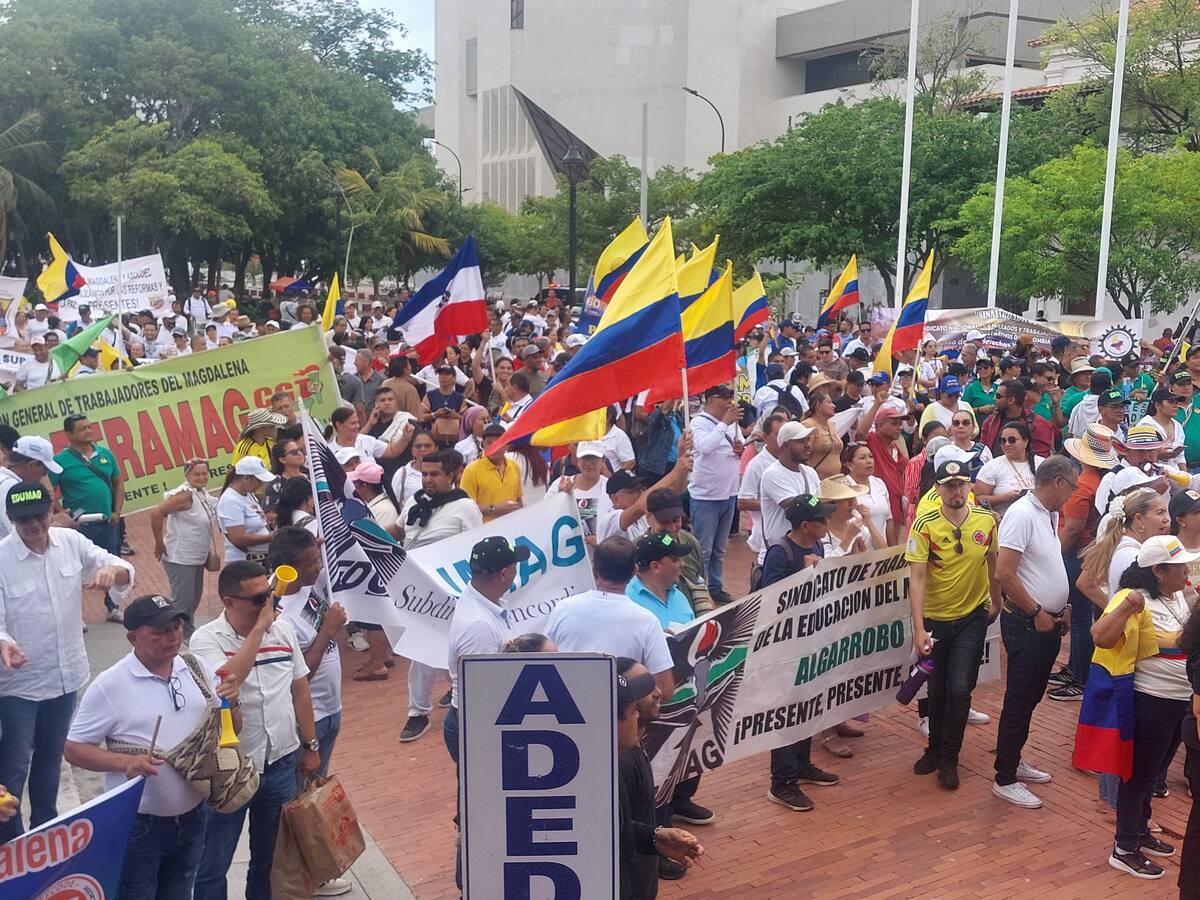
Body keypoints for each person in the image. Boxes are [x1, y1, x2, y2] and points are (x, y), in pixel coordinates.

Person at [64, 595, 238, 900]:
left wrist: (233, 702)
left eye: (176, 627)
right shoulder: (110, 686)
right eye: (159, 632)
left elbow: (234, 729)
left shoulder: (196, 667)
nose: (172, 637)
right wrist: (123, 763)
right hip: (138, 827)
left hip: (193, 817)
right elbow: (74, 748)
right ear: (132, 637)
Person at [0, 482, 133, 842]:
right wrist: (5, 643)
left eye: (39, 516)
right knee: (10, 774)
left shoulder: (70, 542)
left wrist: (113, 574)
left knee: (48, 766)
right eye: (23, 519)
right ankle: (9, 845)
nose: (33, 525)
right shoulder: (1, 559)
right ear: (11, 520)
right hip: (18, 688)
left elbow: (116, 565)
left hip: (64, 679)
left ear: (50, 512)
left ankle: (44, 836)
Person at [191, 560, 320, 900]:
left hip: (279, 763)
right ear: (228, 602)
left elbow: (300, 690)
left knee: (268, 859)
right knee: (212, 864)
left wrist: (311, 744)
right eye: (259, 598)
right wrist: (260, 630)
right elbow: (229, 679)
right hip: (230, 770)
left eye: (270, 594)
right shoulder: (206, 640)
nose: (270, 603)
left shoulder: (284, 630)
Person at [1088, 536, 1195, 880]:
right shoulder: (1133, 599)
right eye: (1180, 567)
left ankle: (1141, 831)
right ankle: (1124, 847)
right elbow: (1100, 635)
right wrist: (1124, 607)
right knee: (1140, 775)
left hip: (1179, 702)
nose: (1187, 571)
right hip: (1151, 700)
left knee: (1157, 770)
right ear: (1158, 571)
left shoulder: (1178, 594)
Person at [907, 459, 999, 792]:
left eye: (961, 483)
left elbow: (992, 561)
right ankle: (933, 748)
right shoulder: (924, 524)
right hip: (935, 619)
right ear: (938, 489)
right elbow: (916, 579)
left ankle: (950, 757)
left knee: (960, 687)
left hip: (972, 616)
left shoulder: (987, 521)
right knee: (937, 688)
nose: (956, 490)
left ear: (970, 485)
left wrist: (997, 599)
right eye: (949, 485)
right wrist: (918, 628)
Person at [991, 456, 1078, 808]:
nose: (1072, 494)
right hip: (1028, 622)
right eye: (1071, 486)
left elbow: (1047, 563)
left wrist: (1063, 606)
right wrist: (1037, 610)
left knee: (1030, 696)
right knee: (1019, 697)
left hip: (1047, 620)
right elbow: (1004, 573)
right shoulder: (1022, 514)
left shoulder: (1048, 513)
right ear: (1057, 482)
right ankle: (1004, 777)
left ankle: (1014, 759)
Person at [444, 537, 528, 890]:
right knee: (481, 810)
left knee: (479, 804)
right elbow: (484, 697)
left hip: (471, 722)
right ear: (506, 573)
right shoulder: (479, 626)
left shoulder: (485, 606)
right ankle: (472, 883)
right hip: (476, 727)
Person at [760, 494, 842, 810]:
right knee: (786, 712)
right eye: (822, 519)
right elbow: (772, 602)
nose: (827, 523)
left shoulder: (816, 546)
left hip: (812, 642)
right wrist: (804, 575)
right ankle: (781, 782)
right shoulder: (780, 553)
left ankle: (802, 765)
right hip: (783, 650)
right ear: (806, 525)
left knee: (808, 705)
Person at [616, 659, 704, 899]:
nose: (657, 694)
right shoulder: (620, 767)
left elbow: (616, 828)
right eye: (631, 709)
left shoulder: (626, 753)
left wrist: (654, 836)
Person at [1053, 424, 1121, 702]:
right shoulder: (1101, 479)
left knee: (1079, 619)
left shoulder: (1082, 484)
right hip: (1090, 551)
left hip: (1077, 553)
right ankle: (1076, 668)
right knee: (1083, 616)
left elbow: (1072, 529)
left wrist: (1057, 557)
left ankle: (1080, 678)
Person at [52, 414, 126, 621]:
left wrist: (117, 511)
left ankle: (113, 607)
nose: (89, 431)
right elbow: (49, 489)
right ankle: (78, 615)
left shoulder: (105, 454)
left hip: (107, 522)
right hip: (79, 526)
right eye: (82, 428)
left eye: (89, 427)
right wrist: (60, 513)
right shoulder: (60, 461)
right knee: (74, 570)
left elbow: (118, 482)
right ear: (69, 434)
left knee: (112, 562)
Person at [687, 385, 742, 604]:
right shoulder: (698, 422)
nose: (730, 402)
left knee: (719, 549)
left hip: (728, 493)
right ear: (711, 400)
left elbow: (727, 452)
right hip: (706, 496)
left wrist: (738, 449)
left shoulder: (728, 425)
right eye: (725, 398)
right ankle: (698, 592)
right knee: (704, 550)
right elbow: (705, 447)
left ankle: (716, 587)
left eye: (731, 397)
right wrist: (724, 423)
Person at [151, 458, 218, 635]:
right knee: (181, 603)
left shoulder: (201, 493)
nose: (202, 477)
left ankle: (188, 636)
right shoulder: (185, 495)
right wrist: (159, 542)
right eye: (197, 474)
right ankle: (174, 639)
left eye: (205, 473)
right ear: (187, 475)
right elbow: (156, 513)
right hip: (180, 558)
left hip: (196, 558)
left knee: (193, 602)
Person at [973, 421, 1042, 517]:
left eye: (1012, 440)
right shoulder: (992, 466)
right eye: (1002, 441)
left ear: (1025, 441)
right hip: (1003, 521)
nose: (1007, 444)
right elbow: (977, 499)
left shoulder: (1042, 464)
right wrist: (1004, 498)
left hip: (1038, 519)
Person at [0, 434, 62, 540]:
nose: (44, 475)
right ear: (31, 465)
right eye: (45, 470)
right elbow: (19, 534)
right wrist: (62, 524)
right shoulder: (9, 487)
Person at [548, 441, 612, 539]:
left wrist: (601, 541)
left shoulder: (610, 487)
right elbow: (546, 515)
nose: (589, 464)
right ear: (578, 461)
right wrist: (561, 496)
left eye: (593, 459)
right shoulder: (560, 483)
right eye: (584, 459)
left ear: (603, 461)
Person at [216, 456, 274, 563]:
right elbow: (238, 538)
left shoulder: (248, 494)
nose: (261, 484)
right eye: (259, 480)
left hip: (259, 557)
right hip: (244, 561)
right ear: (246, 478)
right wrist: (270, 538)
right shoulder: (230, 501)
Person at [461, 424, 523, 520]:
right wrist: (494, 509)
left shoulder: (514, 466)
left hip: (511, 528)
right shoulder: (472, 470)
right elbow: (466, 508)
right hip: (485, 530)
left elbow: (518, 499)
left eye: (499, 442)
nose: (494, 447)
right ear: (483, 445)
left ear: (507, 445)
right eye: (489, 443)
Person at [979, 379, 1055, 458]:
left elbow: (1040, 459)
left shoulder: (1038, 424)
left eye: (998, 396)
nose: (994, 399)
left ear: (1011, 400)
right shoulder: (990, 421)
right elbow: (983, 453)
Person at [841, 440, 897, 546]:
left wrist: (892, 551)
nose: (869, 461)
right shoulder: (843, 488)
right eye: (862, 458)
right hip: (858, 552)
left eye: (870, 457)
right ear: (849, 465)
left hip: (881, 551)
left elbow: (889, 519)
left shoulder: (879, 482)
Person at [802, 379, 844, 479]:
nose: (834, 406)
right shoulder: (808, 425)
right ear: (818, 406)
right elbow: (803, 455)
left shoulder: (831, 425)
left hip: (836, 481)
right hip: (818, 482)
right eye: (829, 403)